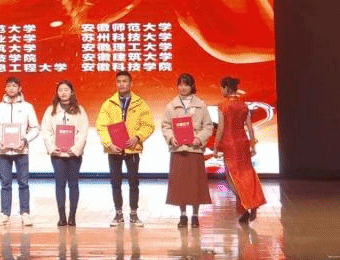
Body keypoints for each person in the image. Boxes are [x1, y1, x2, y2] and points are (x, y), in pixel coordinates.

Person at [95, 70, 155, 226]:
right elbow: (101, 126)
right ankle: (118, 214)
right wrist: (109, 144)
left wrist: (138, 137)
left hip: (132, 149)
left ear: (130, 83)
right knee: (115, 182)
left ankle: (134, 214)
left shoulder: (140, 103)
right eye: (119, 81)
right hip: (114, 149)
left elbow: (148, 125)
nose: (121, 84)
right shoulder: (108, 104)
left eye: (124, 81)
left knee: (133, 182)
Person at [161, 73, 214, 228]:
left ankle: (195, 216)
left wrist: (199, 138)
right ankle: (183, 215)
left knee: (195, 184)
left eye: (186, 84)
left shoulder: (201, 105)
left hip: (194, 150)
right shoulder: (171, 105)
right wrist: (171, 138)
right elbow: (165, 126)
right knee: (181, 185)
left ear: (192, 86)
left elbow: (208, 126)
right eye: (181, 84)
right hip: (178, 150)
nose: (183, 88)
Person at [213, 76, 266, 224]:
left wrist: (216, 146)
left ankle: (248, 203)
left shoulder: (223, 106)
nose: (221, 90)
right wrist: (253, 145)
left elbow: (221, 129)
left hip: (230, 144)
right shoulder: (243, 106)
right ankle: (249, 205)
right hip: (243, 142)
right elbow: (250, 127)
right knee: (247, 174)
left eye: (221, 88)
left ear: (226, 88)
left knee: (232, 178)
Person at [0, 76, 39, 227]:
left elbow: (35, 128)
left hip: (22, 151)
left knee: (23, 183)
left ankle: (25, 214)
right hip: (3, 151)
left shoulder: (27, 107)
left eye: (14, 86)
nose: (11, 88)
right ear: (5, 88)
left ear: (19, 88)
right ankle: (5, 214)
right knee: (5, 183)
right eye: (9, 86)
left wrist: (25, 140)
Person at [40, 80, 88, 227]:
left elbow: (83, 131)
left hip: (74, 154)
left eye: (66, 90)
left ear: (71, 92)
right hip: (58, 154)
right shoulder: (51, 110)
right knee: (60, 184)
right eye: (60, 90)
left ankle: (72, 217)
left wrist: (75, 148)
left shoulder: (79, 110)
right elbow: (46, 131)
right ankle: (62, 217)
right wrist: (52, 147)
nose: (63, 93)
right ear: (57, 93)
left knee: (73, 184)